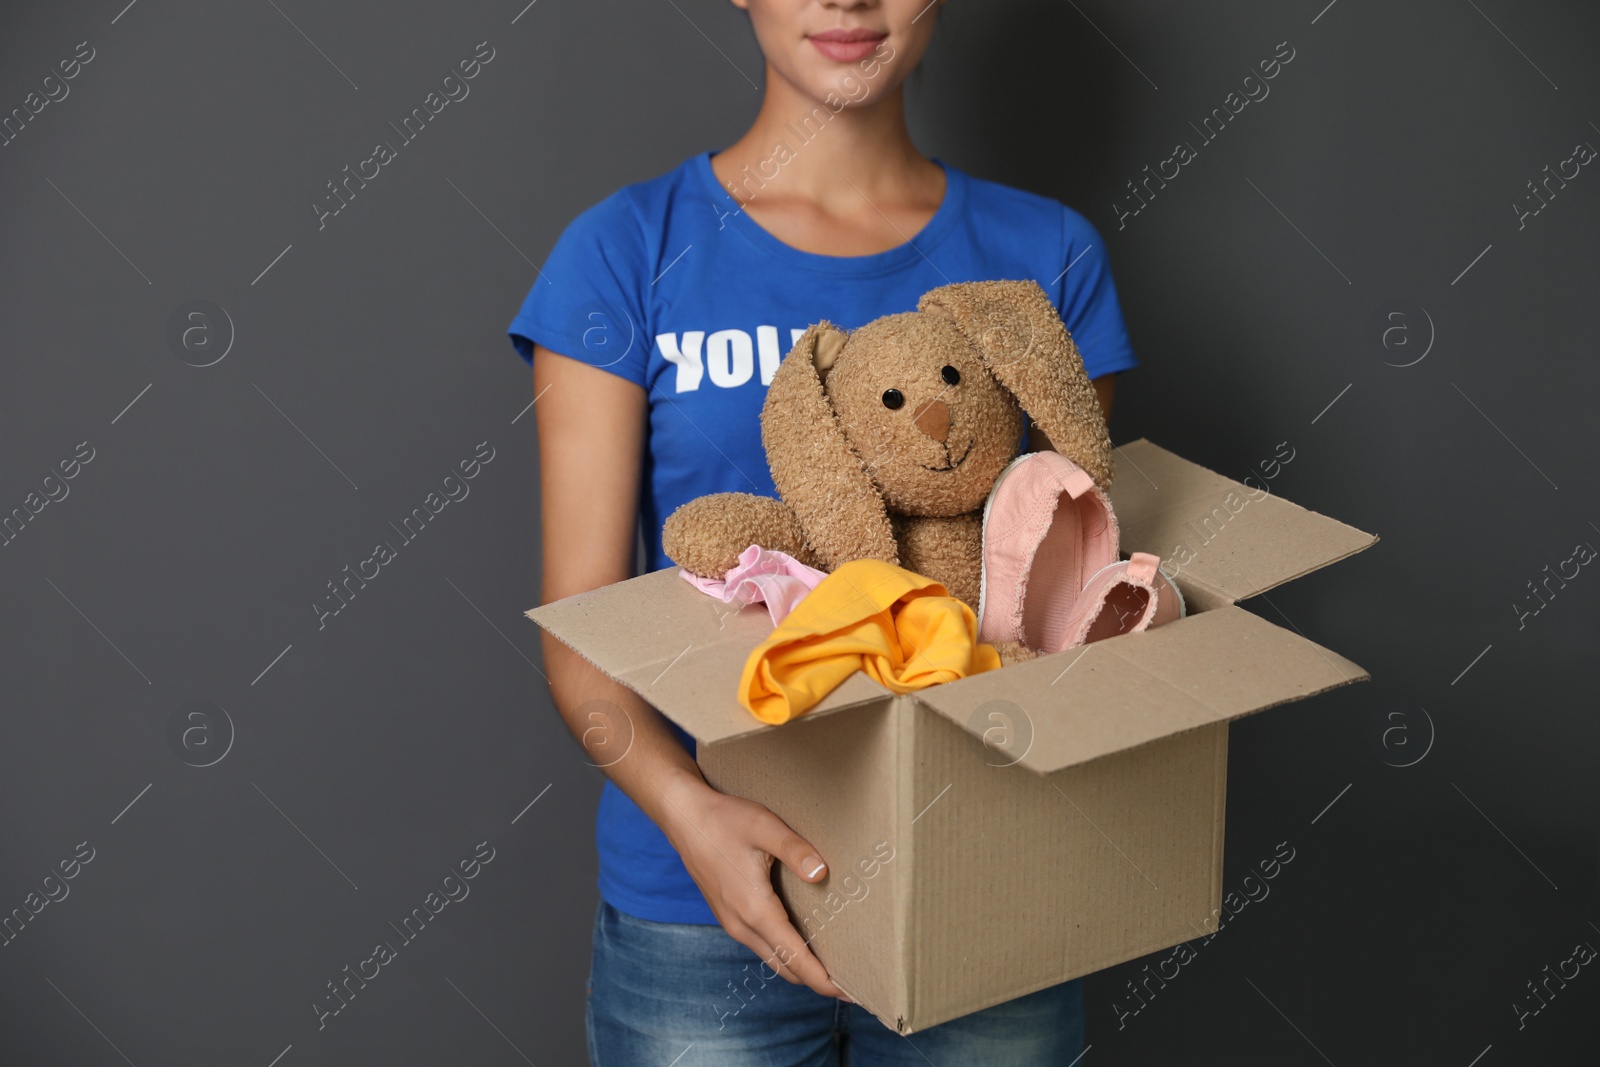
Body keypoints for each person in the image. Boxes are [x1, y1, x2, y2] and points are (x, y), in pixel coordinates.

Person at [508, 1, 1137, 1061]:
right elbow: (579, 621)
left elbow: (1060, 588)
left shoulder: (1044, 255)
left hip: (974, 875)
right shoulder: (625, 250)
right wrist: (690, 817)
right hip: (700, 903)